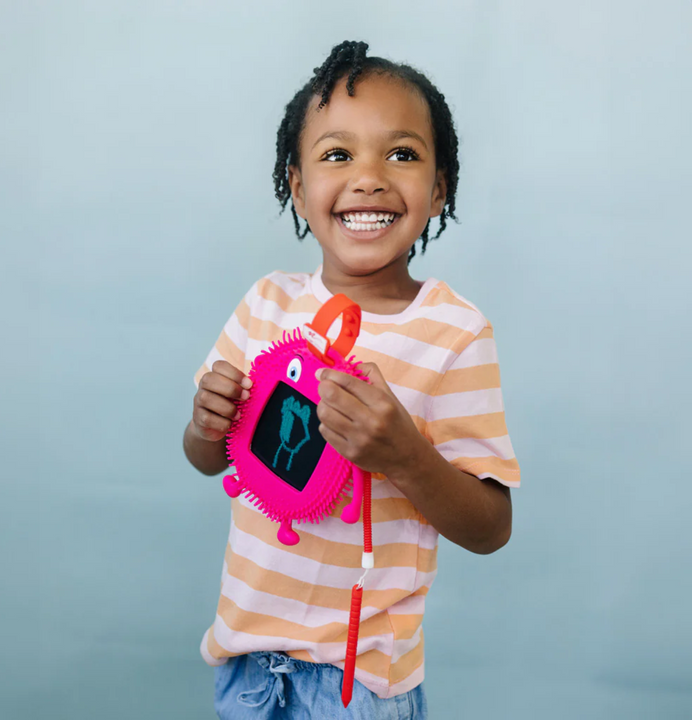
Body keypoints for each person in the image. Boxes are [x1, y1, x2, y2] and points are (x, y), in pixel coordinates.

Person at [183, 40, 521, 720]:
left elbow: (491, 526)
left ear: (440, 187)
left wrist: (404, 455)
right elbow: (208, 458)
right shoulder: (266, 306)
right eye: (338, 154)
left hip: (358, 686)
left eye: (402, 154)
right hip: (246, 663)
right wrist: (205, 422)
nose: (368, 178)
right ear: (299, 186)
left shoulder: (454, 332)